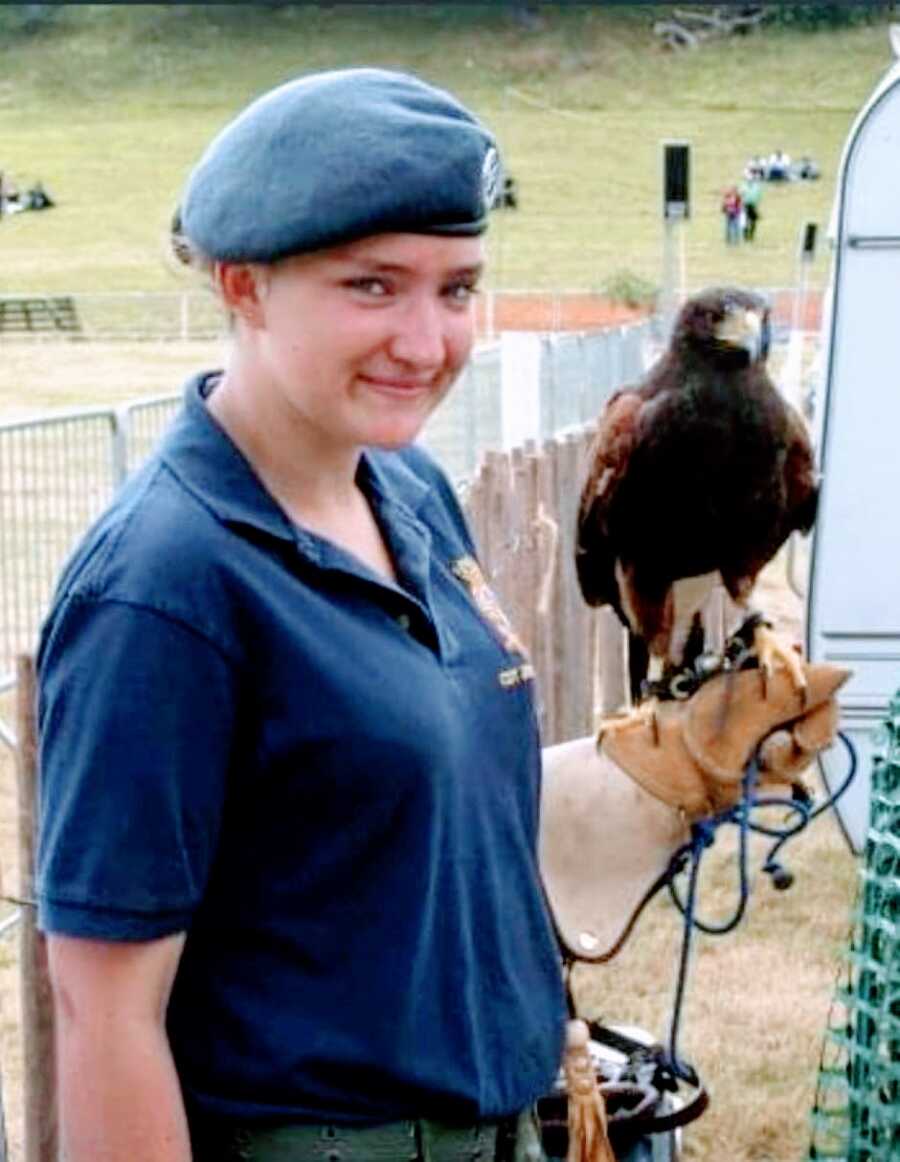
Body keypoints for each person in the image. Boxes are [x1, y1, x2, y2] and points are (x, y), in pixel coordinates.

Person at [36, 69, 567, 1162]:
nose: (427, 342)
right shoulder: (166, 586)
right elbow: (104, 1011)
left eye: (457, 289)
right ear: (243, 285)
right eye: (373, 286)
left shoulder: (406, 487)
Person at [739, 174, 762, 241]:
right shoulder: (743, 186)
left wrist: (756, 204)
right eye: (748, 180)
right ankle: (745, 236)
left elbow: (758, 196)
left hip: (753, 206)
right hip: (745, 205)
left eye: (751, 180)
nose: (750, 181)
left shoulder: (756, 187)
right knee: (745, 222)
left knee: (753, 222)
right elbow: (740, 196)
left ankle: (751, 236)